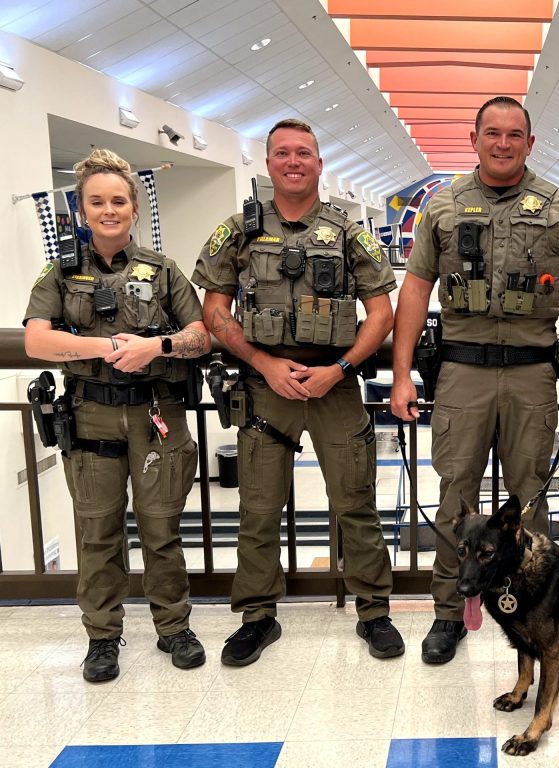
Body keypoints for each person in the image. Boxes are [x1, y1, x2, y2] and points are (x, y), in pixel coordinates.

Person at [390, 96, 559, 665]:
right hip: (462, 372)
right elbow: (414, 290)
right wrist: (403, 373)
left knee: (528, 499)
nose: (503, 143)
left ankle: (531, 609)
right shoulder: (443, 206)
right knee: (455, 496)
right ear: (474, 138)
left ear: (530, 143)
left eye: (515, 134)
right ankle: (446, 615)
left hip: (533, 371)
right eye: (493, 133)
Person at [192, 118, 404, 664]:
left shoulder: (350, 232)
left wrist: (340, 367)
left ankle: (374, 610)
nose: (293, 161)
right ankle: (258, 617)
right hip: (266, 388)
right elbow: (213, 311)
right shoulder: (236, 231)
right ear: (268, 164)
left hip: (334, 386)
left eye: (304, 153)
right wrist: (263, 361)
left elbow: (382, 313)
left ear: (319, 163)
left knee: (355, 503)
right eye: (282, 153)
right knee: (258, 509)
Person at [23, 149, 210, 683]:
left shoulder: (164, 270)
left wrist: (157, 346)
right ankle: (102, 637)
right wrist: (102, 347)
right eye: (97, 202)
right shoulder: (61, 272)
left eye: (119, 201)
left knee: (161, 530)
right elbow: (37, 338)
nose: (109, 210)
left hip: (156, 414)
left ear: (134, 207)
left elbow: (201, 336)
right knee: (98, 533)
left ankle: (174, 627)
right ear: (82, 210)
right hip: (91, 419)